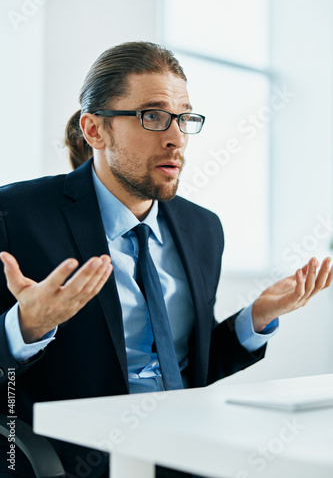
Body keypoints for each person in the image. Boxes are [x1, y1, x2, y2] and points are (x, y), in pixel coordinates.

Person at [0, 41, 331, 478]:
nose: (176, 137)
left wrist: (255, 318)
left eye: (184, 118)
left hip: (184, 449)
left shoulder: (203, 229)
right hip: (73, 460)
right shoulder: (16, 216)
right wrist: (25, 328)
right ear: (95, 130)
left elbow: (190, 371)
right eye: (152, 116)